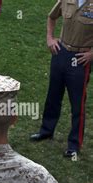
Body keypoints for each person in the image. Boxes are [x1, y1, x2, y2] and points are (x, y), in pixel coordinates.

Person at [30, 0, 93, 158]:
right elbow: (51, 17)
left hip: (80, 58)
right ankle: (46, 131)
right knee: (53, 96)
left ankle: (74, 145)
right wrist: (50, 38)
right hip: (61, 53)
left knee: (77, 103)